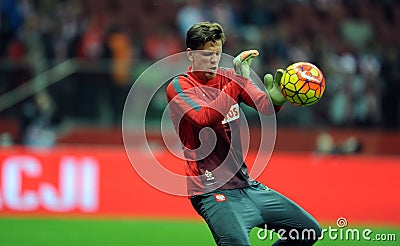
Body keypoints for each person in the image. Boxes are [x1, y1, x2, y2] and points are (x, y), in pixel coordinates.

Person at [166, 21, 321, 246]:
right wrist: (239, 80)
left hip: (246, 184)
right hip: (210, 190)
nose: (213, 60)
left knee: (308, 231)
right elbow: (203, 118)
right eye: (207, 54)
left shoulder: (230, 77)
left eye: (217, 54)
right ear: (190, 55)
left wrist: (276, 98)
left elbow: (265, 107)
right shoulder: (180, 86)